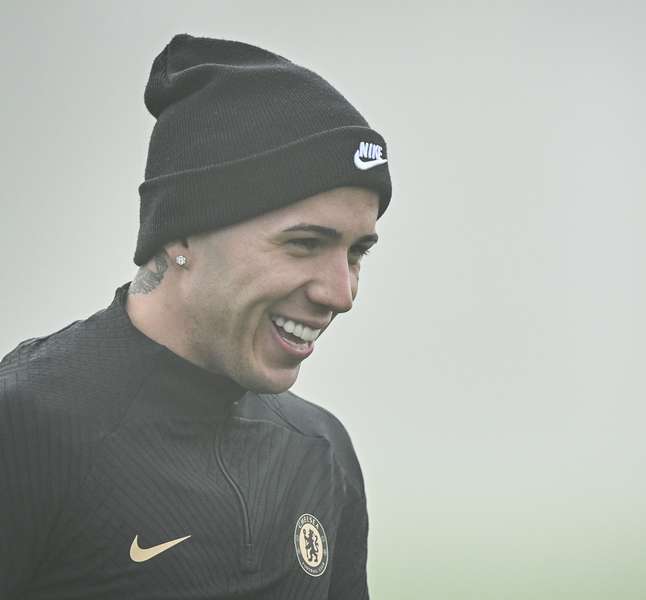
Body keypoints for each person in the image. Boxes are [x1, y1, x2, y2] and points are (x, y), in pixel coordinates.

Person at [0, 33, 391, 599]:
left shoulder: (320, 451)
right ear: (182, 233)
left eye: (356, 253)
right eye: (305, 243)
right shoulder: (26, 431)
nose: (341, 292)